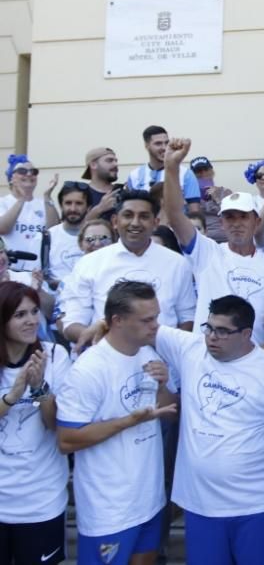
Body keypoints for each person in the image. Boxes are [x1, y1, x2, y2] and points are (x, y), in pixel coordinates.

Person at [153, 295, 264, 565]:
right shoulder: (190, 348)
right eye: (209, 328)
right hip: (200, 503)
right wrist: (100, 326)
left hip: (257, 501)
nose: (212, 337)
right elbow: (141, 326)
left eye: (223, 331)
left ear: (247, 333)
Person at [56, 281, 178, 565]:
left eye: (156, 317)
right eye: (147, 320)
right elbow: (66, 440)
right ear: (117, 321)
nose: (155, 326)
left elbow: (169, 411)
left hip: (149, 499)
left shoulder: (149, 354)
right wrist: (128, 421)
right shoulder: (89, 370)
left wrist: (162, 386)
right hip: (109, 509)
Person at [163, 140, 264, 349]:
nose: (236, 224)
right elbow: (175, 214)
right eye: (230, 217)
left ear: (257, 221)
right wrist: (171, 167)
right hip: (207, 362)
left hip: (253, 362)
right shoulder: (206, 253)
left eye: (243, 217)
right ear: (221, 223)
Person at [60, 190, 196, 350]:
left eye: (144, 216)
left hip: (163, 365)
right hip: (108, 361)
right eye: (128, 215)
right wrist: (96, 336)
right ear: (115, 221)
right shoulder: (89, 263)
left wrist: (169, 352)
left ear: (155, 223)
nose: (135, 223)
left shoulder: (177, 264)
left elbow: (187, 318)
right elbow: (72, 322)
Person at [0, 282, 71, 565]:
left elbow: (58, 426)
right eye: (19, 315)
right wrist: (14, 395)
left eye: (34, 312)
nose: (31, 320)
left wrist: (40, 388)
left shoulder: (55, 356)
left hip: (41, 501)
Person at [0, 154, 59, 272]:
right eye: (22, 171)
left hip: (38, 271)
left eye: (33, 171)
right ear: (11, 177)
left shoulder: (44, 203)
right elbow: (3, 228)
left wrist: (47, 196)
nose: (29, 174)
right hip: (9, 269)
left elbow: (54, 231)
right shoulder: (3, 202)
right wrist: (22, 199)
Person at [125, 126, 201, 213]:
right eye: (158, 144)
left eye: (166, 143)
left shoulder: (186, 174)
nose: (164, 148)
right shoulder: (135, 175)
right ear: (146, 145)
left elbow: (195, 213)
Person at [46, 181, 89, 285]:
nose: (73, 209)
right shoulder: (48, 237)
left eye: (79, 203)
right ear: (61, 205)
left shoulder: (97, 236)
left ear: (89, 207)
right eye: (68, 203)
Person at [80, 146, 121, 222]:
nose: (115, 164)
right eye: (109, 160)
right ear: (93, 165)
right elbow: (74, 228)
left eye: (116, 161)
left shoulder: (123, 190)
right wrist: (100, 209)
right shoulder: (81, 194)